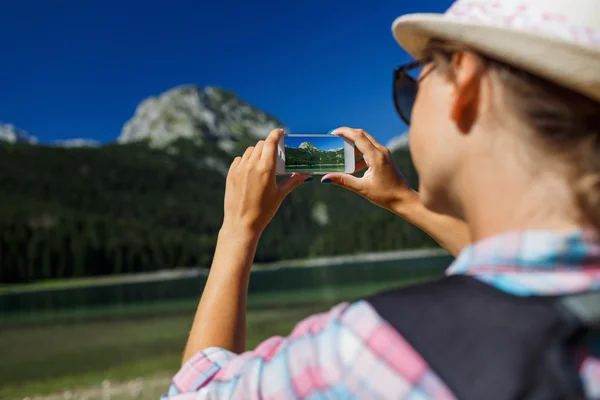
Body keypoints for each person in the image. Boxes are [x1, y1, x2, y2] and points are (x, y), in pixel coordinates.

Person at [163, 0, 600, 398]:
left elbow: (193, 391)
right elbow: (519, 278)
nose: (408, 108)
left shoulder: (369, 350)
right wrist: (403, 201)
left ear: (465, 81)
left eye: (414, 83)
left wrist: (238, 229)